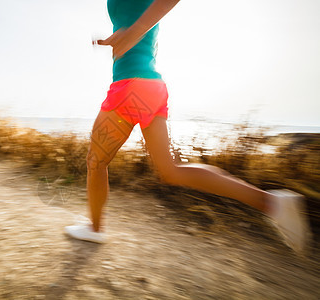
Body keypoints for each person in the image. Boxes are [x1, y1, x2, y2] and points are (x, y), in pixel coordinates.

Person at [65, 0, 311, 253]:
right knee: (171, 171)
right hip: (151, 87)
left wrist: (132, 33)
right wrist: (122, 36)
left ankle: (94, 229)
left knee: (96, 161)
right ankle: (272, 203)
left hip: (130, 87)